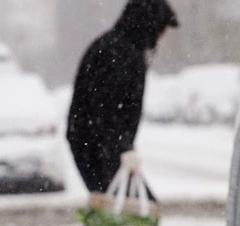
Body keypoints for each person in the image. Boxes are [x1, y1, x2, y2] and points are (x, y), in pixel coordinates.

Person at [66, 0, 179, 197]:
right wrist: (122, 149)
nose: (162, 36)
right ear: (149, 24)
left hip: (95, 146)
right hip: (100, 149)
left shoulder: (115, 47)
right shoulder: (120, 54)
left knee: (123, 214)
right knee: (135, 215)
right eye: (161, 28)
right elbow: (105, 110)